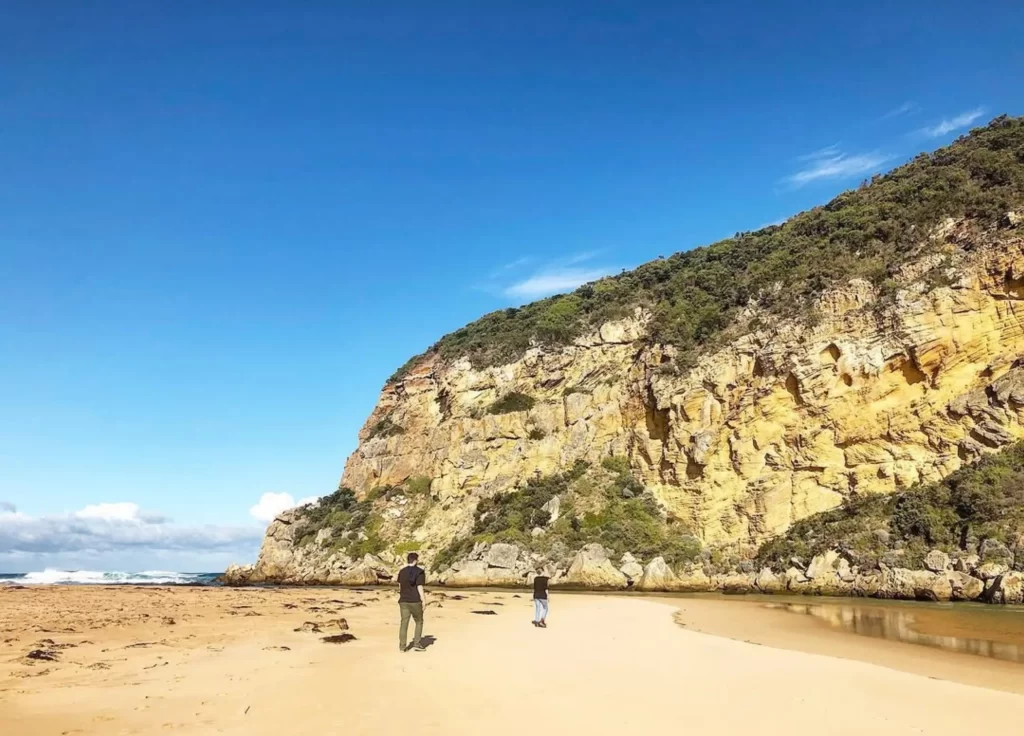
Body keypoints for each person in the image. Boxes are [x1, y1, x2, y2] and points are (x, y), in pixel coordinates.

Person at [397, 552, 427, 651]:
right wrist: (424, 600)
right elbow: (419, 587)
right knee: (419, 621)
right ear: (415, 560)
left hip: (403, 600)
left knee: (404, 623)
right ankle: (417, 644)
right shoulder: (419, 572)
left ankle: (402, 646)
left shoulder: (402, 571)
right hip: (415, 600)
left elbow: (400, 586)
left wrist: (402, 596)